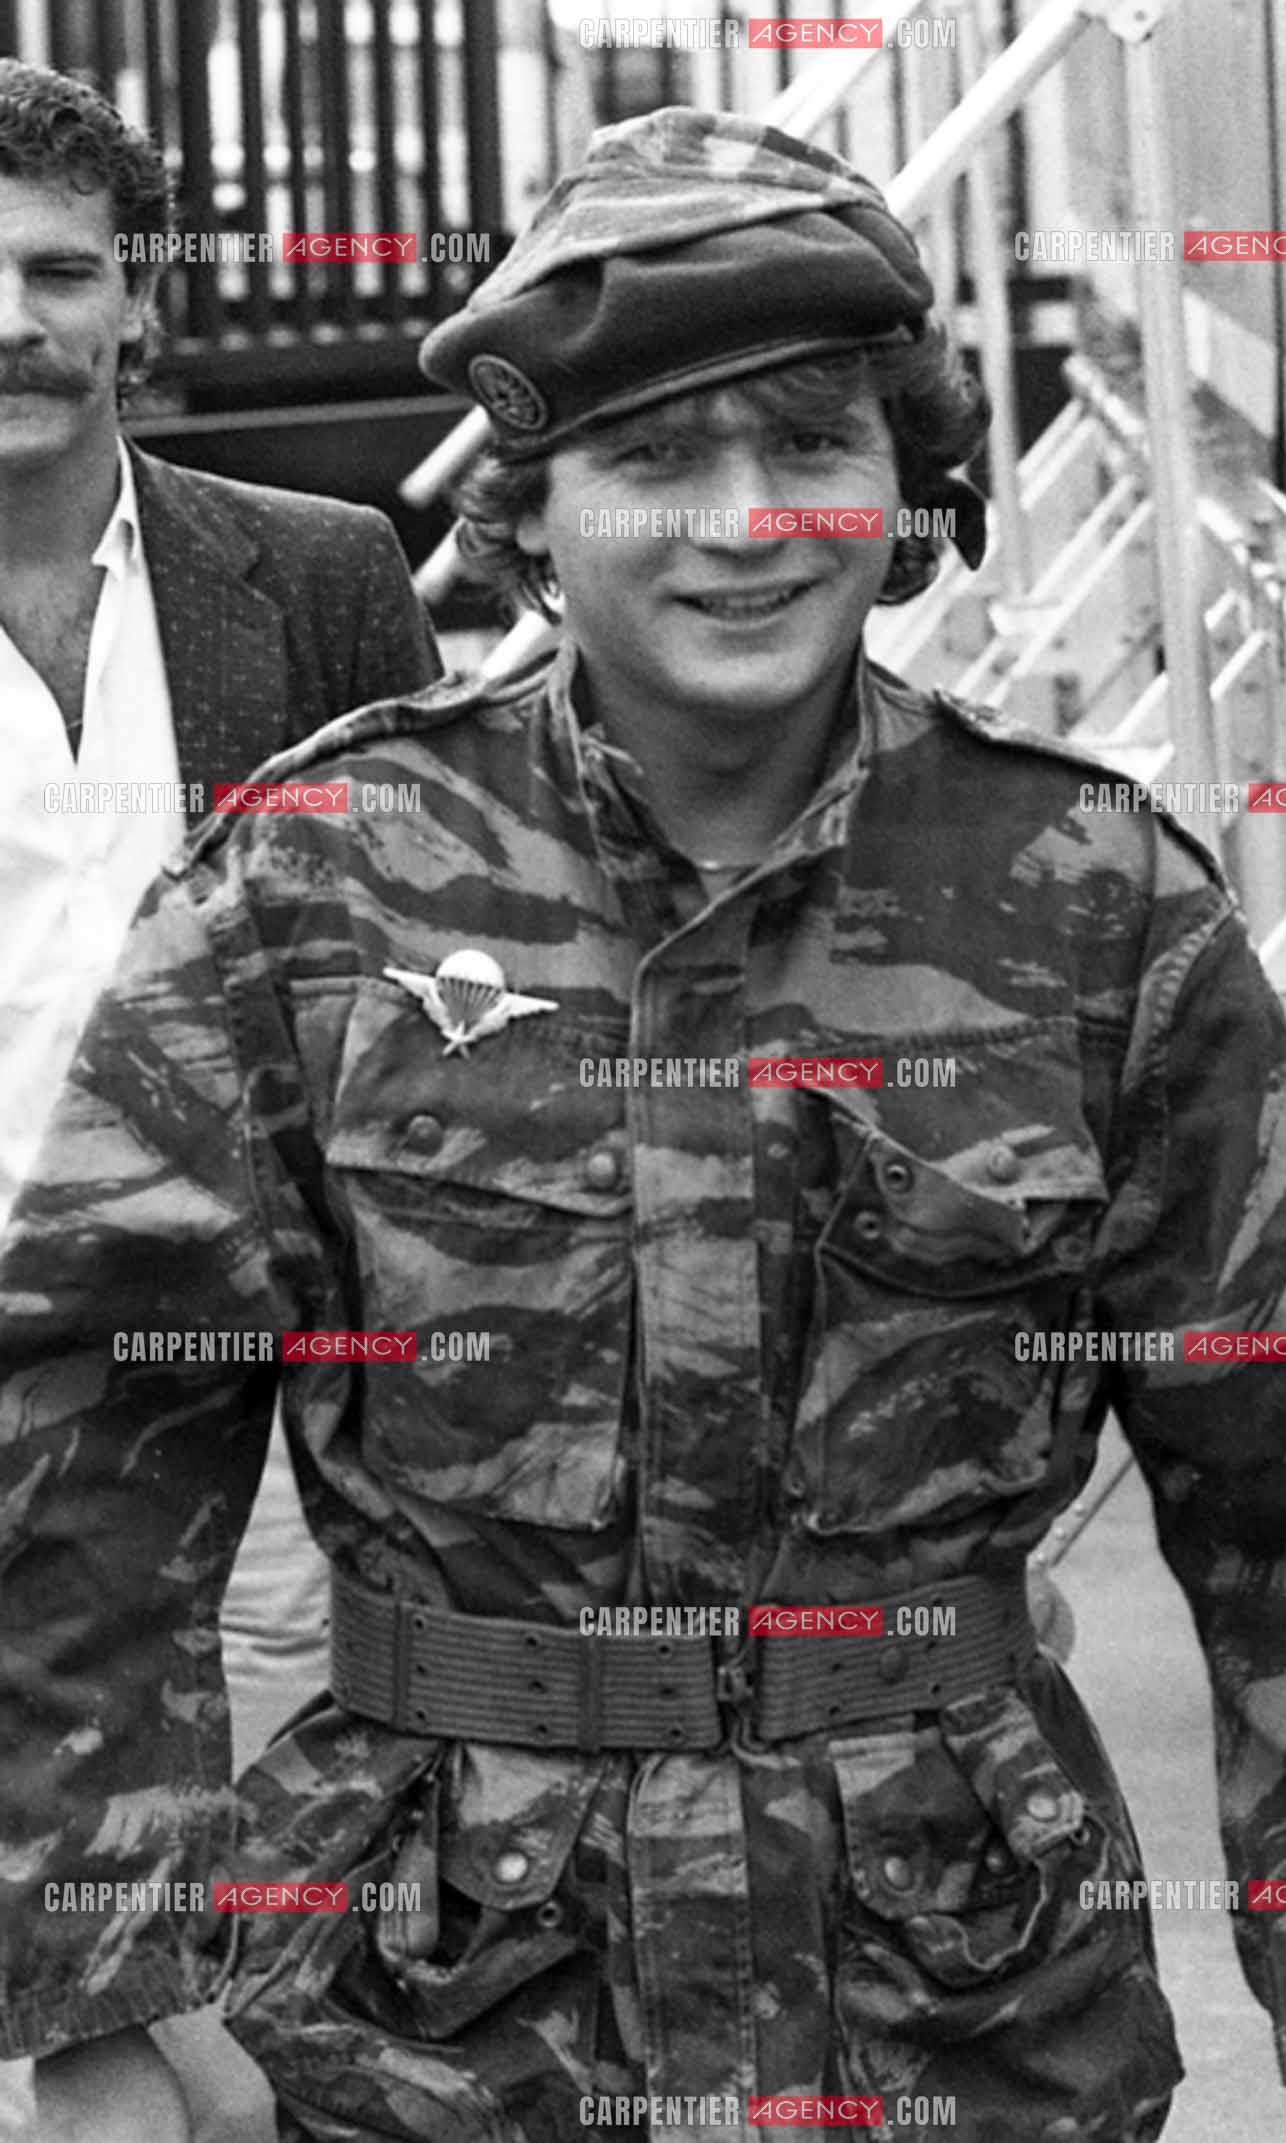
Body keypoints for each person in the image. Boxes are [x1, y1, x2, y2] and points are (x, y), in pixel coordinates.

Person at [0, 106, 1286, 2143]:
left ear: (908, 490)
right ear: (532, 513)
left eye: (811, 444)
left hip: (964, 2016)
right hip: (433, 2032)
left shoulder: (1091, 897)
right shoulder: (316, 882)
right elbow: (82, 1463)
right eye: (652, 459)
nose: (745, 522)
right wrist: (97, 2010)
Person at [0, 60, 440, 2134]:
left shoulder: (318, 574)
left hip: (250, 1331)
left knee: (269, 1834)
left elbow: (439, 961)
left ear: (138, 301)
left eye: (55, 269)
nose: (10, 320)